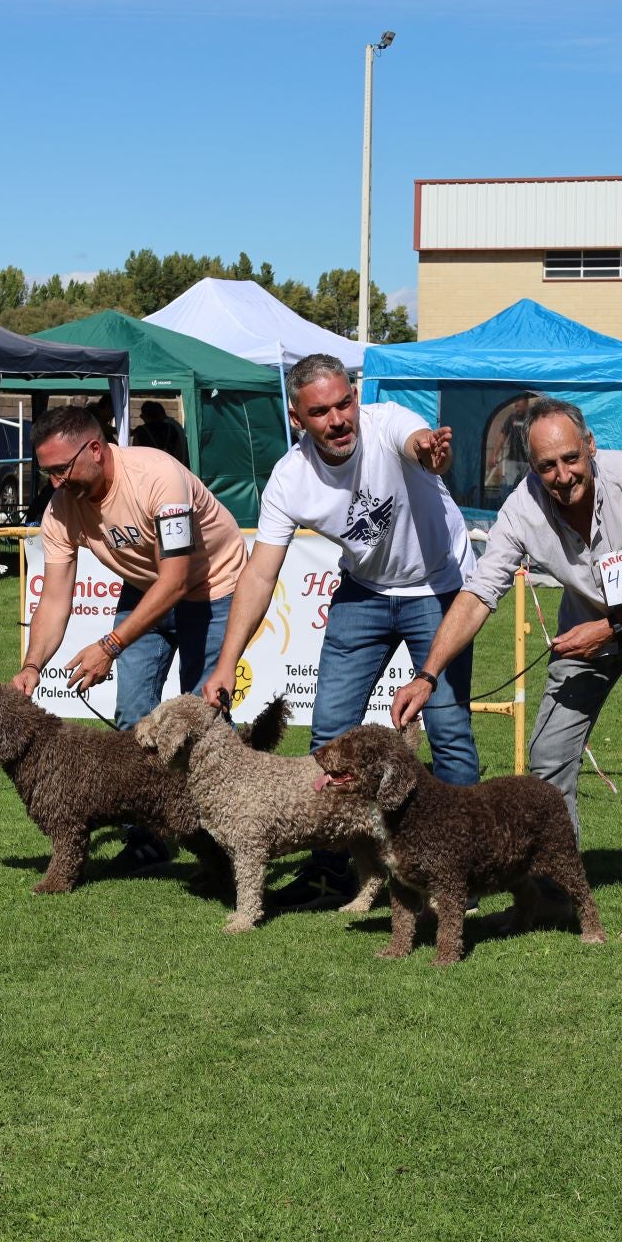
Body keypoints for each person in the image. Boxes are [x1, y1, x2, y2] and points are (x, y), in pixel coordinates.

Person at [390, 397, 622, 943]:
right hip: (585, 629)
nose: (562, 475)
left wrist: (611, 629)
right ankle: (553, 893)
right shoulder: (522, 512)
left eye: (570, 459)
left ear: (591, 448)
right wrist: (427, 674)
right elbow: (481, 592)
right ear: (531, 468)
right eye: (546, 466)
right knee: (548, 757)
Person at [201, 353, 480, 905]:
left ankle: (457, 872)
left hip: (438, 587)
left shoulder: (388, 423)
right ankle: (330, 866)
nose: (338, 419)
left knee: (448, 734)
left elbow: (417, 442)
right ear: (297, 417)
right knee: (328, 737)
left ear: (356, 397)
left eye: (344, 403)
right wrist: (227, 661)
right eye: (320, 411)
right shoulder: (289, 478)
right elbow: (259, 574)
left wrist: (430, 450)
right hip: (364, 593)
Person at [15, 405, 247, 863]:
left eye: (62, 469)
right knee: (134, 717)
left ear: (96, 449)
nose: (56, 482)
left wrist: (110, 645)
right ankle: (147, 839)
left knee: (205, 719)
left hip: (215, 588)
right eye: (48, 472)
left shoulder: (158, 477)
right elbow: (56, 596)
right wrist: (31, 665)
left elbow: (177, 579)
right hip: (145, 590)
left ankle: (232, 840)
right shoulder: (61, 508)